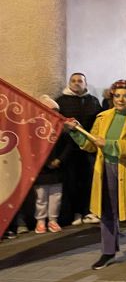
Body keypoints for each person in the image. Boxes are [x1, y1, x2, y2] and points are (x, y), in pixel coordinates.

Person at [64, 80, 126, 270]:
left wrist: (110, 144)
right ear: (112, 97)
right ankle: (108, 252)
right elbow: (90, 144)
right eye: (117, 96)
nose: (121, 100)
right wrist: (76, 132)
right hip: (105, 170)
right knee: (107, 212)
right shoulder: (102, 117)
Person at [56, 72, 102, 227]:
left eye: (80, 81)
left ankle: (87, 211)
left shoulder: (93, 101)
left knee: (89, 180)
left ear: (85, 84)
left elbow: (99, 121)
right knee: (72, 182)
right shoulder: (61, 101)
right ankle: (74, 213)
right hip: (70, 149)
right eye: (73, 81)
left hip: (88, 147)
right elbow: (56, 123)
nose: (76, 83)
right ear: (69, 83)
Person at [33, 95, 70, 234]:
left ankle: (53, 220)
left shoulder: (61, 129)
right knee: (41, 197)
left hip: (57, 169)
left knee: (55, 196)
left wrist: (60, 160)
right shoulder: (35, 129)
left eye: (56, 111)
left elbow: (68, 146)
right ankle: (40, 220)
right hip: (41, 170)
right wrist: (42, 162)